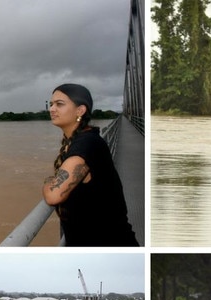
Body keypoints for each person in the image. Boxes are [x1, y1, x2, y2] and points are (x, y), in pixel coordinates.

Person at [42, 83, 139, 246]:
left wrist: (48, 181)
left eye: (59, 104)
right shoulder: (82, 140)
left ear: (80, 110)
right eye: (50, 104)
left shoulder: (86, 145)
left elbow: (53, 195)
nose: (52, 109)